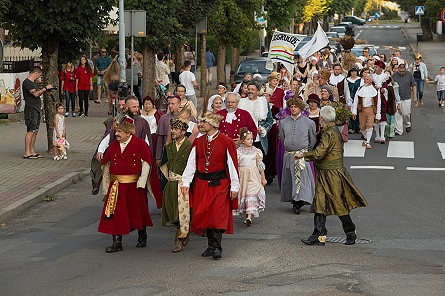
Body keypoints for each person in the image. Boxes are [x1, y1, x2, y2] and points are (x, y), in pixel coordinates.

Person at [295, 105, 368, 246]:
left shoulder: (329, 133)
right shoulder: (332, 130)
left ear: (322, 119)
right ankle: (319, 235)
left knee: (339, 204)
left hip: (332, 174)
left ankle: (350, 232)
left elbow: (319, 153)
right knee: (319, 204)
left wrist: (302, 155)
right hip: (325, 172)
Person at [181, 112, 239, 260]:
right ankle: (210, 245)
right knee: (204, 214)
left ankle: (217, 247)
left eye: (203, 123)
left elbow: (232, 165)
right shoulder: (198, 142)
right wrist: (186, 183)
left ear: (212, 124)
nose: (200, 125)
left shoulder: (226, 141)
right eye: (200, 122)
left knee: (217, 215)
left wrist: (234, 186)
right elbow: (191, 164)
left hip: (219, 183)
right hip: (201, 184)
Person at [98, 114, 157, 253]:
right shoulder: (113, 147)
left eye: (120, 132)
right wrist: (106, 188)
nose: (116, 134)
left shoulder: (140, 145)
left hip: (134, 186)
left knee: (138, 212)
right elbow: (106, 167)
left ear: (128, 132)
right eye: (116, 131)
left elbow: (146, 164)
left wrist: (142, 183)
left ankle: (142, 235)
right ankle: (117, 242)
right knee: (115, 214)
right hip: (116, 187)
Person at [160, 118, 192, 253]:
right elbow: (163, 166)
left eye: (176, 129)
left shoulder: (190, 147)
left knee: (182, 213)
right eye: (172, 128)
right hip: (172, 183)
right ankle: (183, 233)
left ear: (183, 132)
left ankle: (178, 239)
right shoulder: (168, 148)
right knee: (173, 211)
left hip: (184, 184)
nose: (173, 131)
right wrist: (164, 185)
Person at [279, 97, 316, 215]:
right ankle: (294, 200)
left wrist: (306, 153)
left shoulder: (309, 123)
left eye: (295, 107)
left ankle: (299, 200)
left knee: (302, 178)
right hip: (290, 155)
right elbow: (283, 138)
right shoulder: (284, 122)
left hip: (302, 155)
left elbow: (312, 139)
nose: (293, 109)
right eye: (291, 107)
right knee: (291, 179)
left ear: (300, 108)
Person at [234, 128, 266, 226]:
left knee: (251, 193)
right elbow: (235, 165)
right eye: (248, 139)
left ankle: (249, 217)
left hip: (253, 175)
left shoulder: (256, 151)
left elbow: (260, 165)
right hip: (242, 175)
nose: (251, 141)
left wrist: (263, 177)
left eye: (252, 139)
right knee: (245, 193)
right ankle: (246, 214)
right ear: (243, 140)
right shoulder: (238, 151)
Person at [22, 67, 53, 159]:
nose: (39, 77)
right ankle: (27, 152)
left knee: (35, 131)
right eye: (39, 75)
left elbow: (38, 93)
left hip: (36, 109)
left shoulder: (33, 83)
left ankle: (32, 151)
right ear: (35, 73)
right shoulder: (27, 82)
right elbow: (35, 94)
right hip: (31, 109)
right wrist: (45, 88)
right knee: (30, 131)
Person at [238, 81, 273, 156]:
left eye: (252, 89)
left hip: (259, 139)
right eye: (249, 89)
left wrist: (264, 129)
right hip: (244, 138)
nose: (250, 91)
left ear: (257, 91)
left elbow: (270, 120)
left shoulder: (263, 102)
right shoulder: (241, 102)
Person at [351, 74, 381, 149]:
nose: (365, 81)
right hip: (362, 109)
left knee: (369, 125)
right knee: (362, 126)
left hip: (371, 109)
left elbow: (378, 102)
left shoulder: (375, 89)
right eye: (365, 79)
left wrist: (378, 113)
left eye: (367, 79)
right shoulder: (360, 89)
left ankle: (368, 142)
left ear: (371, 80)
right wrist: (354, 111)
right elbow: (356, 100)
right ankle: (365, 138)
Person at [155, 96, 181, 164]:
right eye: (169, 104)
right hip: (167, 152)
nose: (170, 106)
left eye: (173, 104)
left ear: (179, 104)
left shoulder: (188, 118)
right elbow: (160, 140)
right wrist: (158, 157)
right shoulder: (164, 118)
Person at [392, 64, 416, 134]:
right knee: (397, 114)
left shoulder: (409, 75)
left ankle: (407, 124)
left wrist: (415, 97)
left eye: (403, 71)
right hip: (397, 97)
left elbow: (413, 85)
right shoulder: (394, 75)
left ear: (405, 69)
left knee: (406, 113)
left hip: (406, 96)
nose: (401, 73)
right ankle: (399, 130)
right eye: (400, 71)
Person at [372, 60, 392, 144]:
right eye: (375, 66)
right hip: (374, 99)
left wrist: (385, 90)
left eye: (376, 67)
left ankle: (382, 135)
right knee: (375, 115)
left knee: (383, 115)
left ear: (381, 68)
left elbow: (391, 87)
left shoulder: (386, 77)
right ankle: (377, 135)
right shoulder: (372, 76)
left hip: (383, 98)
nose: (375, 68)